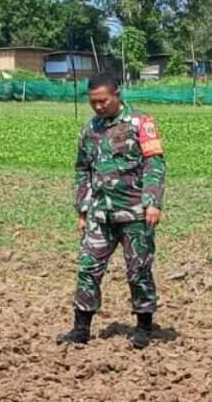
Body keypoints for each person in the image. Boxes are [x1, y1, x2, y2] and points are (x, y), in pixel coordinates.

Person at [60, 71, 166, 349]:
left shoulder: (140, 123)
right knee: (88, 269)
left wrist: (153, 201)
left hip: (135, 214)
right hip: (100, 215)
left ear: (116, 95)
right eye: (93, 102)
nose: (98, 107)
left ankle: (143, 326)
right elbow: (82, 170)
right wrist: (82, 210)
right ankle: (80, 328)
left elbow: (154, 164)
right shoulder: (89, 130)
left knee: (138, 271)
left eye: (103, 101)